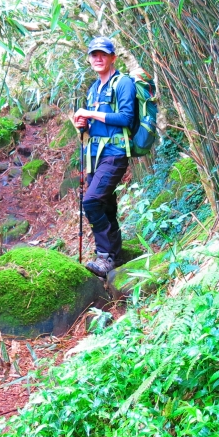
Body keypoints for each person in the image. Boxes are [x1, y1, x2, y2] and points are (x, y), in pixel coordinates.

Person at [72, 36, 136, 277]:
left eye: (103, 54)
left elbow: (126, 119)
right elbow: (92, 127)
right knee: (106, 204)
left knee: (91, 202)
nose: (98, 58)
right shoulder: (93, 89)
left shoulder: (123, 83)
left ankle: (105, 256)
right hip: (95, 154)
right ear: (89, 59)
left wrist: (89, 113)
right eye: (94, 55)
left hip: (115, 152)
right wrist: (82, 125)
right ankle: (116, 255)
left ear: (112, 58)